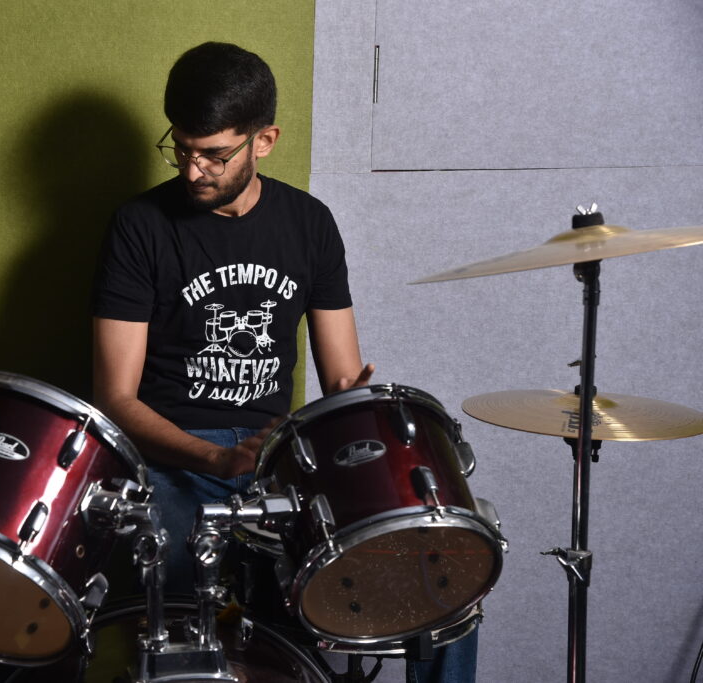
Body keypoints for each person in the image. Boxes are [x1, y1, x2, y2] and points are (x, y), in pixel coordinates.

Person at [91, 42, 474, 683]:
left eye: (215, 155)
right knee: (182, 580)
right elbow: (115, 399)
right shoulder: (140, 227)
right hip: (174, 458)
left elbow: (343, 378)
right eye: (181, 149)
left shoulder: (310, 224)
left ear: (264, 140)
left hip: (278, 457)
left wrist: (363, 422)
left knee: (436, 576)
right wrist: (214, 458)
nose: (193, 170)